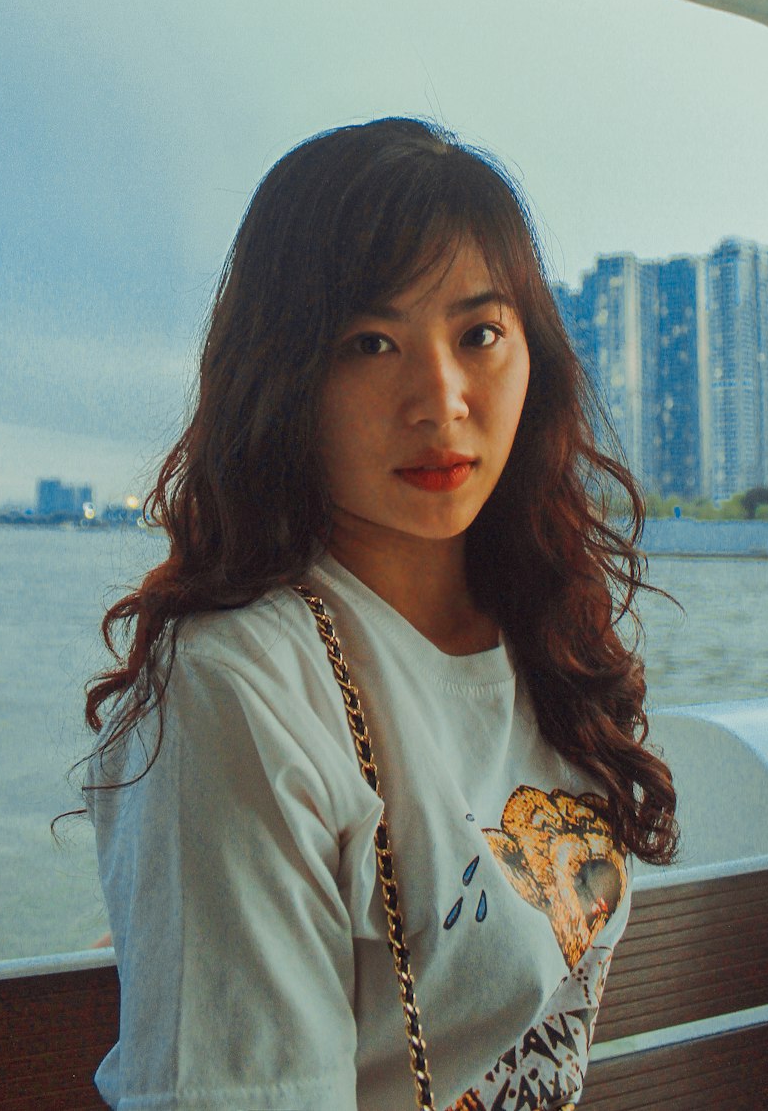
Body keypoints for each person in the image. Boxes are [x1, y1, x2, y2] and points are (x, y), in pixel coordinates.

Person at [80, 115, 680, 1111]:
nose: (439, 397)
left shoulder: (539, 635)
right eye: (370, 342)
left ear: (533, 354)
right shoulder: (241, 689)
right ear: (284, 378)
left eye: (479, 333)